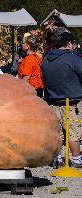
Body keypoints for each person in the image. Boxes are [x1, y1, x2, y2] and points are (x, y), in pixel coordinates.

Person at [42, 32, 82, 168]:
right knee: (74, 131)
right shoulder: (72, 59)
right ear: (69, 44)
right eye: (73, 44)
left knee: (57, 132)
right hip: (73, 101)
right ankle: (76, 159)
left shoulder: (46, 59)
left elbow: (44, 79)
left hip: (53, 100)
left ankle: (57, 158)